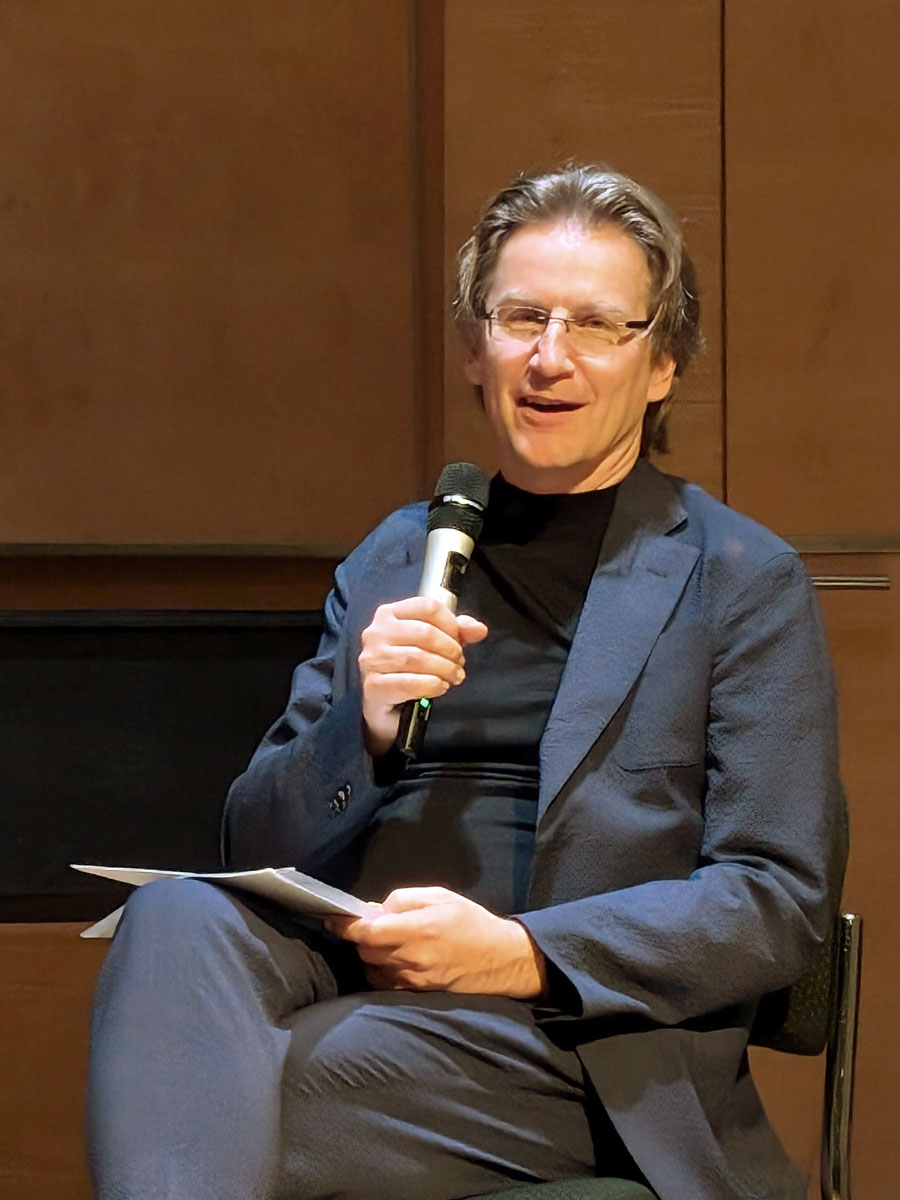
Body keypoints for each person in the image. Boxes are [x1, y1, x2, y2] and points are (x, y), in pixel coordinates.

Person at [87, 164, 846, 1200]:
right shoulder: (400, 554)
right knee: (174, 920)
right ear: (475, 348)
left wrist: (518, 952)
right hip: (351, 971)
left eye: (595, 325)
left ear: (662, 364)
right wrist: (360, 730)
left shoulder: (740, 578)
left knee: (200, 1090)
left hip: (575, 1043)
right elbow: (250, 847)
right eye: (521, 317)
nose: (549, 356)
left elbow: (775, 902)